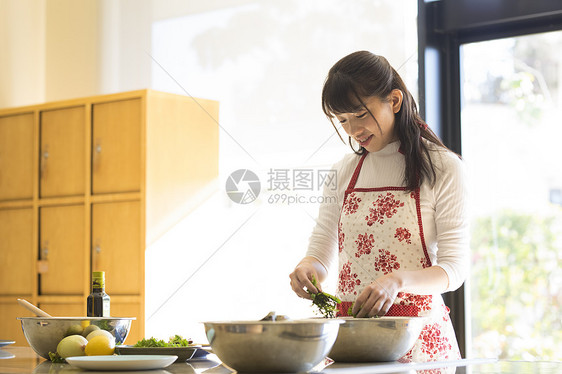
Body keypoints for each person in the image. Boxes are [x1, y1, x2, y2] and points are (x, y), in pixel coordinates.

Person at [289, 51, 469, 362]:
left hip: (418, 341)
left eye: (360, 114)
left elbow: (454, 269)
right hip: (351, 340)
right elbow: (321, 247)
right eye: (343, 120)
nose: (353, 130)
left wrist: (397, 281)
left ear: (394, 101)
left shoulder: (443, 166)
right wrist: (309, 269)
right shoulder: (343, 171)